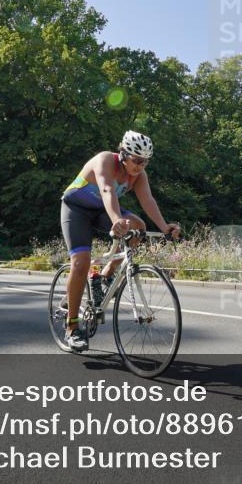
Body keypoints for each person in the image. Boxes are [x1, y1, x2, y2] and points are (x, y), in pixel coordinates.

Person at [60, 130, 181, 352]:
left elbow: (148, 200)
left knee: (139, 227)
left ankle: (104, 277)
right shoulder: (105, 160)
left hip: (101, 210)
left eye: (144, 162)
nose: (140, 166)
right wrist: (116, 220)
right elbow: (107, 189)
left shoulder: (139, 176)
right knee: (81, 262)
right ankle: (72, 327)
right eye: (136, 160)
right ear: (123, 154)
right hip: (76, 209)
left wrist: (165, 227)